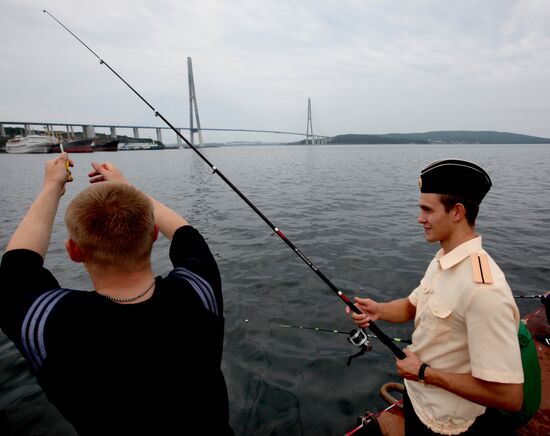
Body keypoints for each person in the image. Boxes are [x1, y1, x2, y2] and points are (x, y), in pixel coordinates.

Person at [0, 154, 234, 435]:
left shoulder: (48, 321)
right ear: (154, 234)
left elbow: (17, 263)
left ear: (74, 251)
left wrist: (52, 187)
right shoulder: (198, 290)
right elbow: (186, 234)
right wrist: (126, 187)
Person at [347, 159, 524, 435]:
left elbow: (509, 396)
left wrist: (422, 373)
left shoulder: (484, 290)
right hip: (418, 401)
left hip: (445, 426)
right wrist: (378, 311)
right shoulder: (444, 259)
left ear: (457, 212)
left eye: (427, 210)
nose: (420, 218)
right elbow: (411, 306)